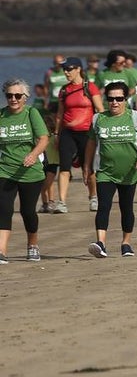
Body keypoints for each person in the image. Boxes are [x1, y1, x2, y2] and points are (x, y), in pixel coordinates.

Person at [84, 80, 137, 258]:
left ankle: (126, 243)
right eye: (111, 99)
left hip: (129, 172)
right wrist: (87, 166)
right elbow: (91, 143)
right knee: (103, 206)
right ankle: (101, 243)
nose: (115, 102)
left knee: (126, 207)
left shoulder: (135, 117)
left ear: (126, 99)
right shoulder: (99, 118)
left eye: (119, 99)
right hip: (105, 172)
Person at [0, 80, 49, 264]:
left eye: (18, 96)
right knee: (3, 209)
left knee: (28, 211)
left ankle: (33, 245)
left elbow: (44, 139)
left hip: (30, 172)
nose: (13, 99)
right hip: (5, 170)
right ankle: (2, 251)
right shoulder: (1, 115)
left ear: (25, 98)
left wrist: (33, 154)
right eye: (9, 95)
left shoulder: (31, 113)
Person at [55, 56, 103, 213]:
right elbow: (59, 115)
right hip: (67, 133)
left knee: (88, 169)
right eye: (64, 69)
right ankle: (61, 202)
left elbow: (100, 111)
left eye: (69, 69)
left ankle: (93, 197)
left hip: (87, 134)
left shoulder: (90, 88)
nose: (66, 72)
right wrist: (56, 134)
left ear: (78, 69)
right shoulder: (64, 90)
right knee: (64, 168)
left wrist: (101, 133)